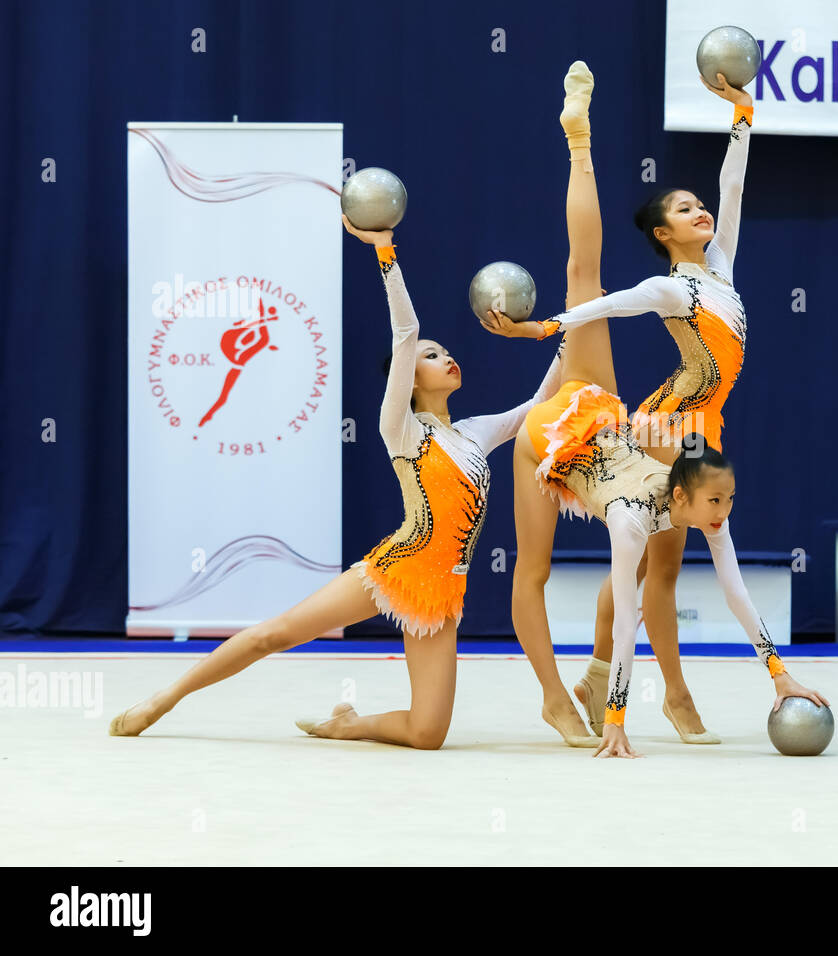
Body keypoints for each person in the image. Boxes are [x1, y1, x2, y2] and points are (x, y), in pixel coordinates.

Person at [107, 214, 562, 749]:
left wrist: (572, 322)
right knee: (274, 635)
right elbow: (406, 332)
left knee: (427, 733)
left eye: (444, 352)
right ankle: (164, 699)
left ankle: (350, 724)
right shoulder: (401, 427)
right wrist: (384, 250)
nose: (445, 357)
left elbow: (538, 405)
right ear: (409, 379)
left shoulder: (473, 434)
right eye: (431, 356)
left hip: (442, 591)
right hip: (398, 566)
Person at [497, 66, 757, 741]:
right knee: (659, 569)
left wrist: (742, 116)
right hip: (669, 423)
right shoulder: (674, 288)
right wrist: (547, 328)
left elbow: (732, 189)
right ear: (666, 235)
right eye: (682, 210)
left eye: (696, 206)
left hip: (699, 421)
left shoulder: (720, 266)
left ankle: (596, 673)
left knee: (646, 561)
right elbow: (607, 300)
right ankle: (672, 696)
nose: (699, 211)